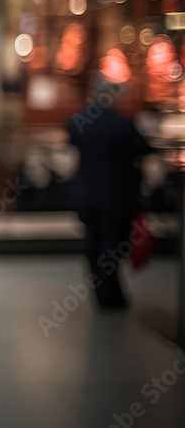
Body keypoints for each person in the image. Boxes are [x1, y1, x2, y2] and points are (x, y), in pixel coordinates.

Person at [67, 75, 155, 310]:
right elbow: (144, 148)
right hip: (115, 195)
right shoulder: (122, 123)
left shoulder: (78, 122)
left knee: (94, 242)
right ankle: (110, 294)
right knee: (111, 243)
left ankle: (103, 291)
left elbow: (72, 141)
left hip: (86, 193)